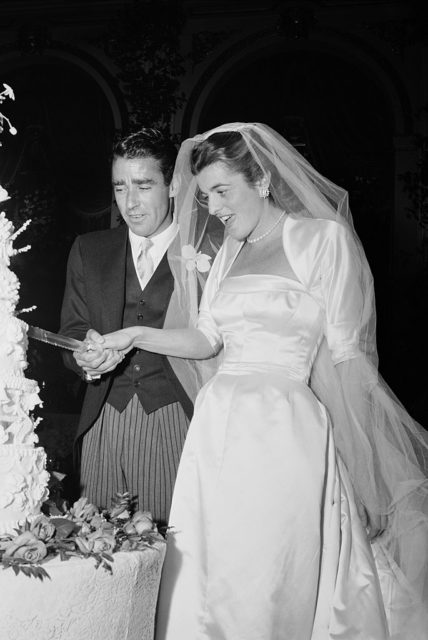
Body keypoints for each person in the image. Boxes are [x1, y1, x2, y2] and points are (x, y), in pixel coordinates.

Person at [99, 123, 428, 639]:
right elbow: (207, 338)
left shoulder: (323, 240)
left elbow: (348, 360)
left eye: (223, 192)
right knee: (210, 573)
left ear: (263, 181)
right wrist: (135, 334)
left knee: (270, 570)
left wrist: (363, 471)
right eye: (205, 196)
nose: (214, 208)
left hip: (285, 431)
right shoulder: (228, 251)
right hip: (216, 431)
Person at [59, 128, 203, 525]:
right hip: (104, 417)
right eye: (120, 188)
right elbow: (73, 329)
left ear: (173, 185)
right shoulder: (90, 249)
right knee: (99, 553)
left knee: (171, 552)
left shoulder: (209, 252)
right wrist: (85, 357)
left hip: (178, 416)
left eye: (143, 186)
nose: (131, 203)